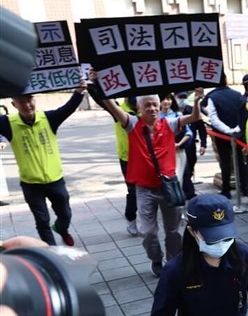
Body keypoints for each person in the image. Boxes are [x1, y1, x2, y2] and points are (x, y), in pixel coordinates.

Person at [99, 88, 205, 277]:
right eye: (147, 105)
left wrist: (197, 101)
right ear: (139, 107)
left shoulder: (170, 123)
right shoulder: (131, 124)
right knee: (147, 232)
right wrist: (99, 86)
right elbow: (111, 106)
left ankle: (173, 261)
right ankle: (156, 258)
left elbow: (195, 117)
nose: (152, 108)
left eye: (155, 104)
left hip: (168, 186)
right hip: (144, 188)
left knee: (173, 231)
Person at [0, 83, 87, 246]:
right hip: (31, 185)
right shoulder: (7, 123)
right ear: (13, 104)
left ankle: (61, 228)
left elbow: (68, 108)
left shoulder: (48, 118)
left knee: (65, 215)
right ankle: (53, 253)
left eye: (29, 99)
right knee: (42, 221)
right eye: (21, 101)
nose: (27, 105)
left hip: (55, 180)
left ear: (34, 99)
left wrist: (79, 91)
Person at [87, 89, 140, 235]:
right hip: (128, 159)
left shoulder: (148, 107)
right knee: (133, 192)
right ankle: (131, 220)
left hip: (147, 158)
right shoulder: (119, 111)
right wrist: (92, 84)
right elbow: (101, 99)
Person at [205, 74, 243, 198]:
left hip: (221, 135)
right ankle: (244, 187)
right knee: (240, 160)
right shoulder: (237, 94)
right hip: (238, 133)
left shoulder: (212, 96)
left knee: (225, 161)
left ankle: (226, 189)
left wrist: (227, 131)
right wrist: (236, 129)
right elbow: (242, 114)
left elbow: (213, 118)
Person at [175, 91, 208, 200]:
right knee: (183, 171)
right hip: (176, 148)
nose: (182, 100)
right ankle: (187, 193)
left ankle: (186, 191)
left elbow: (201, 128)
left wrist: (203, 144)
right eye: (180, 97)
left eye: (184, 97)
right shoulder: (172, 112)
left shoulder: (192, 110)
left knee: (189, 170)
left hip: (190, 145)